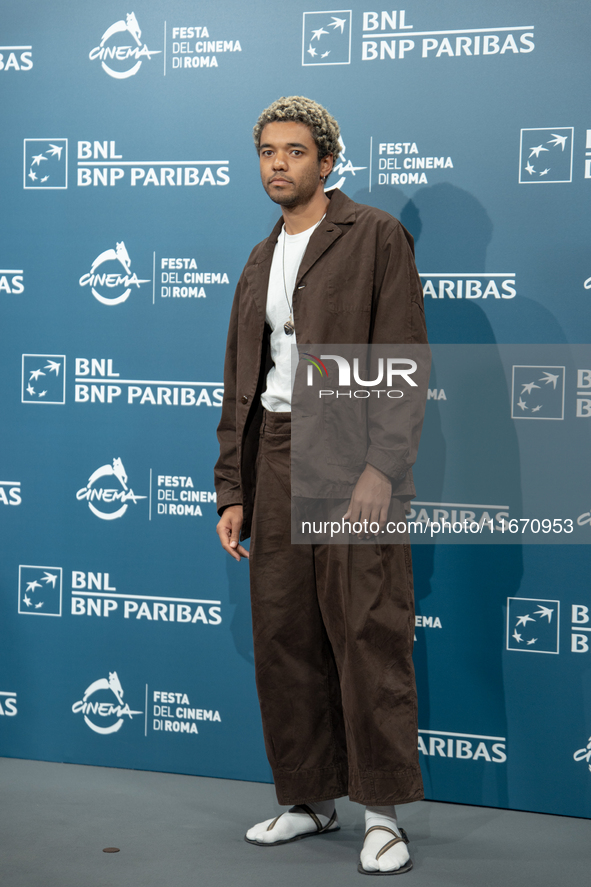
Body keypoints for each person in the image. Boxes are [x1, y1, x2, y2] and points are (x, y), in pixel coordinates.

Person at [214, 96, 428, 876]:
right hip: (273, 454)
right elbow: (241, 382)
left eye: (295, 151)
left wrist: (381, 468)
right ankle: (307, 799)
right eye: (268, 151)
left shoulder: (373, 236)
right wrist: (232, 488)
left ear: (327, 161)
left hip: (348, 460)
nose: (278, 163)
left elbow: (403, 363)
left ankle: (382, 814)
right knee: (285, 636)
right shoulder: (257, 257)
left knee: (365, 633)